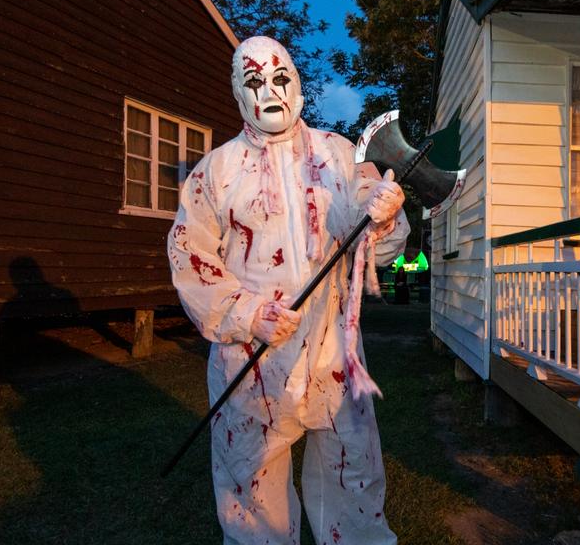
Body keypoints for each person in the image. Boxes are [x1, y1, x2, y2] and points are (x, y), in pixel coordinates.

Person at [168, 36, 408, 545]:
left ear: (297, 86)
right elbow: (192, 259)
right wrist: (247, 314)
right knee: (253, 496)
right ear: (238, 93)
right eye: (255, 82)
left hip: (334, 362)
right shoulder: (215, 172)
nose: (270, 91)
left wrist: (384, 222)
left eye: (281, 78)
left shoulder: (342, 157)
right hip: (251, 365)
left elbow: (380, 248)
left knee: (353, 484)